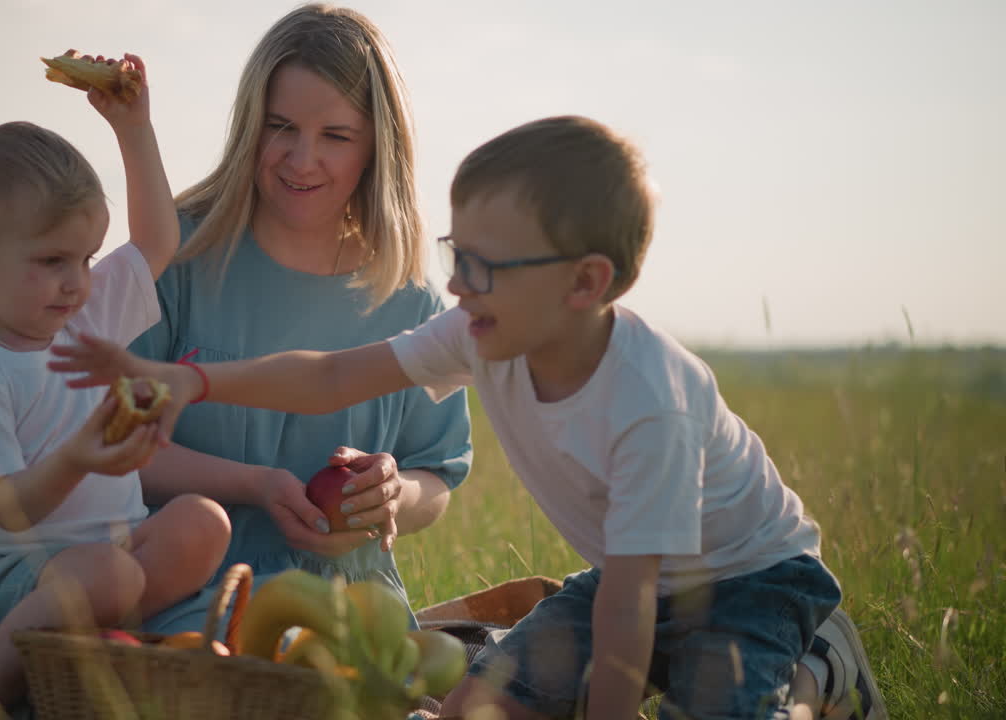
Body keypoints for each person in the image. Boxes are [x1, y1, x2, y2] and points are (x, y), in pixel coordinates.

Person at [50, 115, 888, 720]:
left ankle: (820, 672)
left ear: (586, 285)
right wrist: (192, 383)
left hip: (748, 582)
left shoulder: (648, 406)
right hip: (632, 577)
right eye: (458, 256)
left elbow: (629, 611)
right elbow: (335, 375)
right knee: (475, 706)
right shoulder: (488, 331)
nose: (456, 286)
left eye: (483, 266)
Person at [0, 5, 472, 718]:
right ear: (250, 124)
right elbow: (105, 440)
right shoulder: (184, 253)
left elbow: (440, 473)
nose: (302, 159)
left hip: (322, 593)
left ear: (379, 146)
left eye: (335, 135)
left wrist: (395, 496)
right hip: (148, 561)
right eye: (280, 127)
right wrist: (255, 483)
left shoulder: (413, 297)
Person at [0, 56, 232, 718]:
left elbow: (157, 241)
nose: (77, 280)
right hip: (1, 576)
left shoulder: (83, 314)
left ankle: (94, 642)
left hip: (107, 553)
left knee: (202, 522)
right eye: (53, 261)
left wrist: (133, 128)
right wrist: (81, 455)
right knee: (108, 574)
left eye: (85, 259)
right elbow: (10, 512)